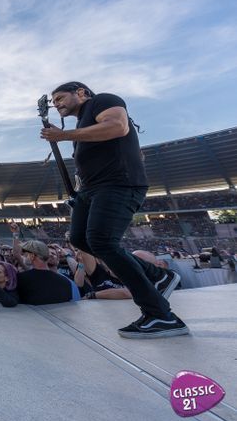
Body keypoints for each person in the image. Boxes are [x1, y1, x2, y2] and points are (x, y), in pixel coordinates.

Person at [41, 82, 187, 338]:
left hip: (118, 184)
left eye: (61, 98)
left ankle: (161, 315)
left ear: (81, 93)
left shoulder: (102, 101)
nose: (56, 104)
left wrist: (63, 136)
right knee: (79, 239)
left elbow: (118, 127)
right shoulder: (82, 123)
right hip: (92, 189)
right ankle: (158, 276)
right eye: (53, 101)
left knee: (102, 241)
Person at [16, 241, 77, 305]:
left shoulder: (21, 279)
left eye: (25, 254)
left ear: (32, 256)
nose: (23, 256)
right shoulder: (66, 282)